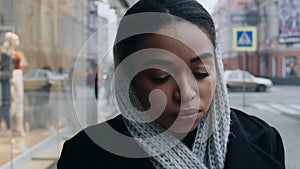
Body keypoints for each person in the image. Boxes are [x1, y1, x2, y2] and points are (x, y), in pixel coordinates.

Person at [58, 0, 285, 169]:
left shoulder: (265, 141)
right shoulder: (84, 156)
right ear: (127, 77)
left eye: (200, 73)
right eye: (160, 76)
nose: (186, 93)